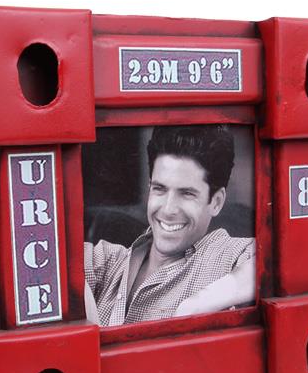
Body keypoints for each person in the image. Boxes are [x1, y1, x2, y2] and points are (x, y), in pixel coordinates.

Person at [84, 125, 255, 327]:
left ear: (216, 202)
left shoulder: (227, 256)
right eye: (160, 189)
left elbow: (281, 258)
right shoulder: (107, 261)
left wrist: (193, 306)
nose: (168, 209)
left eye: (187, 193)